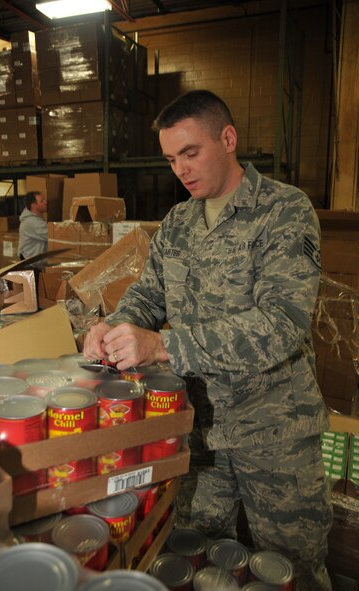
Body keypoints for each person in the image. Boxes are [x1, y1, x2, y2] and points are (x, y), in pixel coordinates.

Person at [83, 90, 332, 590]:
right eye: (172, 159)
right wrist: (114, 323)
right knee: (194, 558)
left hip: (274, 434)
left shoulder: (283, 210)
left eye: (191, 153)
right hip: (198, 433)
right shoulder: (178, 223)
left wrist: (161, 346)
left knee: (292, 569)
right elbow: (148, 295)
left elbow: (282, 325)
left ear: (228, 138)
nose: (181, 169)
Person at [18, 191, 48, 271]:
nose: (46, 202)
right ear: (33, 206)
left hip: (33, 264)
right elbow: (53, 234)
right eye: (42, 201)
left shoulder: (35, 219)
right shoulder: (32, 222)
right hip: (31, 266)